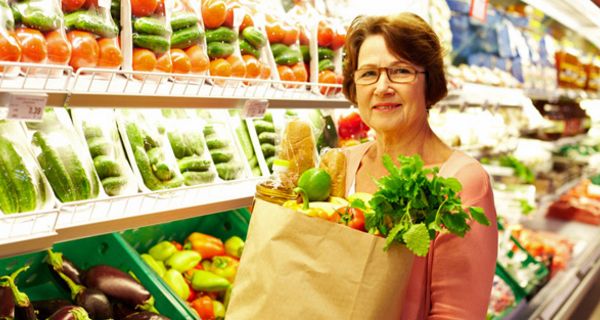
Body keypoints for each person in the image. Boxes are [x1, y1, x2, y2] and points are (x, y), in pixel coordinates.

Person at [341, 12, 498, 319]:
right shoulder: (343, 164)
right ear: (354, 86)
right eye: (368, 74)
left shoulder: (463, 183)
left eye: (400, 71)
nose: (382, 87)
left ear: (429, 82)